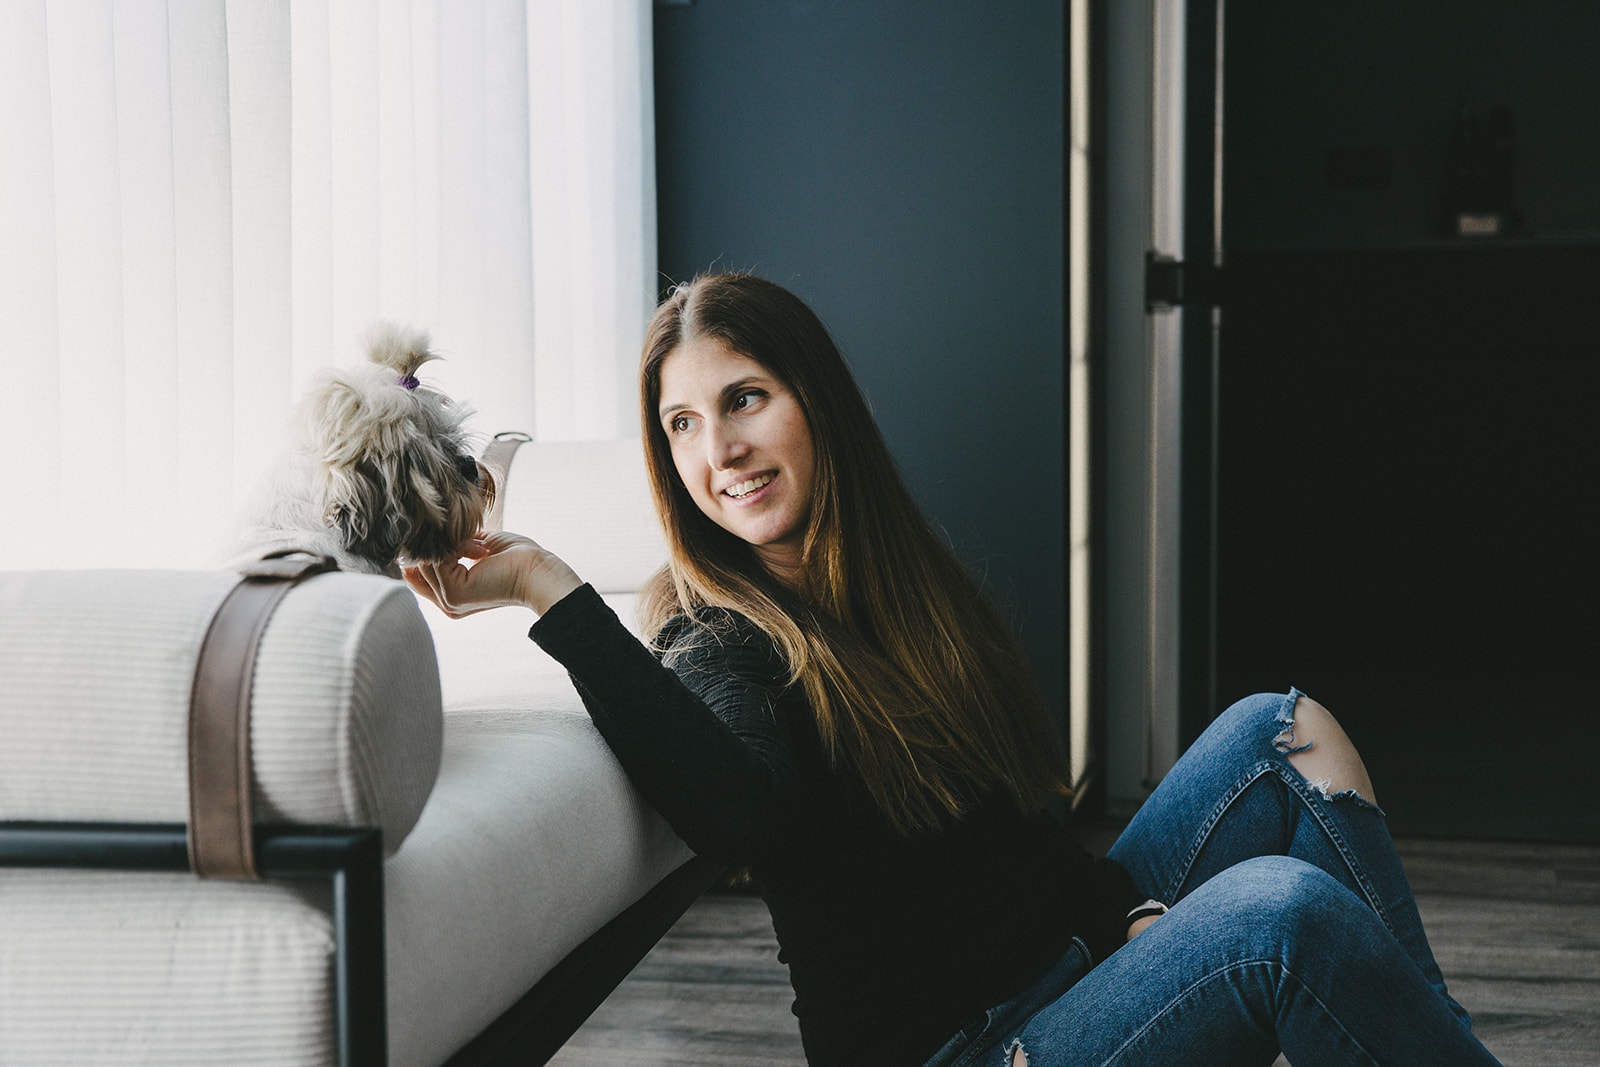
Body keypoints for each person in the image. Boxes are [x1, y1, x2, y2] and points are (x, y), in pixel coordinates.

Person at [405, 273, 1501, 1067]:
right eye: (681, 423)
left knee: (1281, 728)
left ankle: (1430, 1043)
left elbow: (1005, 823)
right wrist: (551, 589)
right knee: (1279, 913)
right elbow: (740, 815)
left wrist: (1118, 912)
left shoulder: (895, 583)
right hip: (966, 1047)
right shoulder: (716, 629)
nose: (719, 450)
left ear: (816, 400)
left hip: (1058, 968)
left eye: (744, 398)